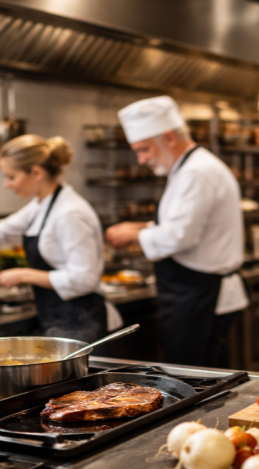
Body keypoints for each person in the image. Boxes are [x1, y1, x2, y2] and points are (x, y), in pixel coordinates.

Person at [0, 135, 122, 342]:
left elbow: (85, 279)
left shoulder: (70, 213)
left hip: (83, 320)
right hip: (58, 317)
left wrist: (23, 275)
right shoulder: (42, 205)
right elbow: (1, 230)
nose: (6, 185)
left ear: (36, 172)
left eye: (11, 177)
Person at [105, 96, 248, 368]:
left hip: (203, 295)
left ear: (169, 138)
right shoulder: (186, 168)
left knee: (196, 376)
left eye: (144, 149)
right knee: (198, 373)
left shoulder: (197, 172)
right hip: (195, 293)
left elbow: (179, 237)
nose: (142, 159)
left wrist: (134, 236)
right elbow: (186, 225)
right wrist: (141, 227)